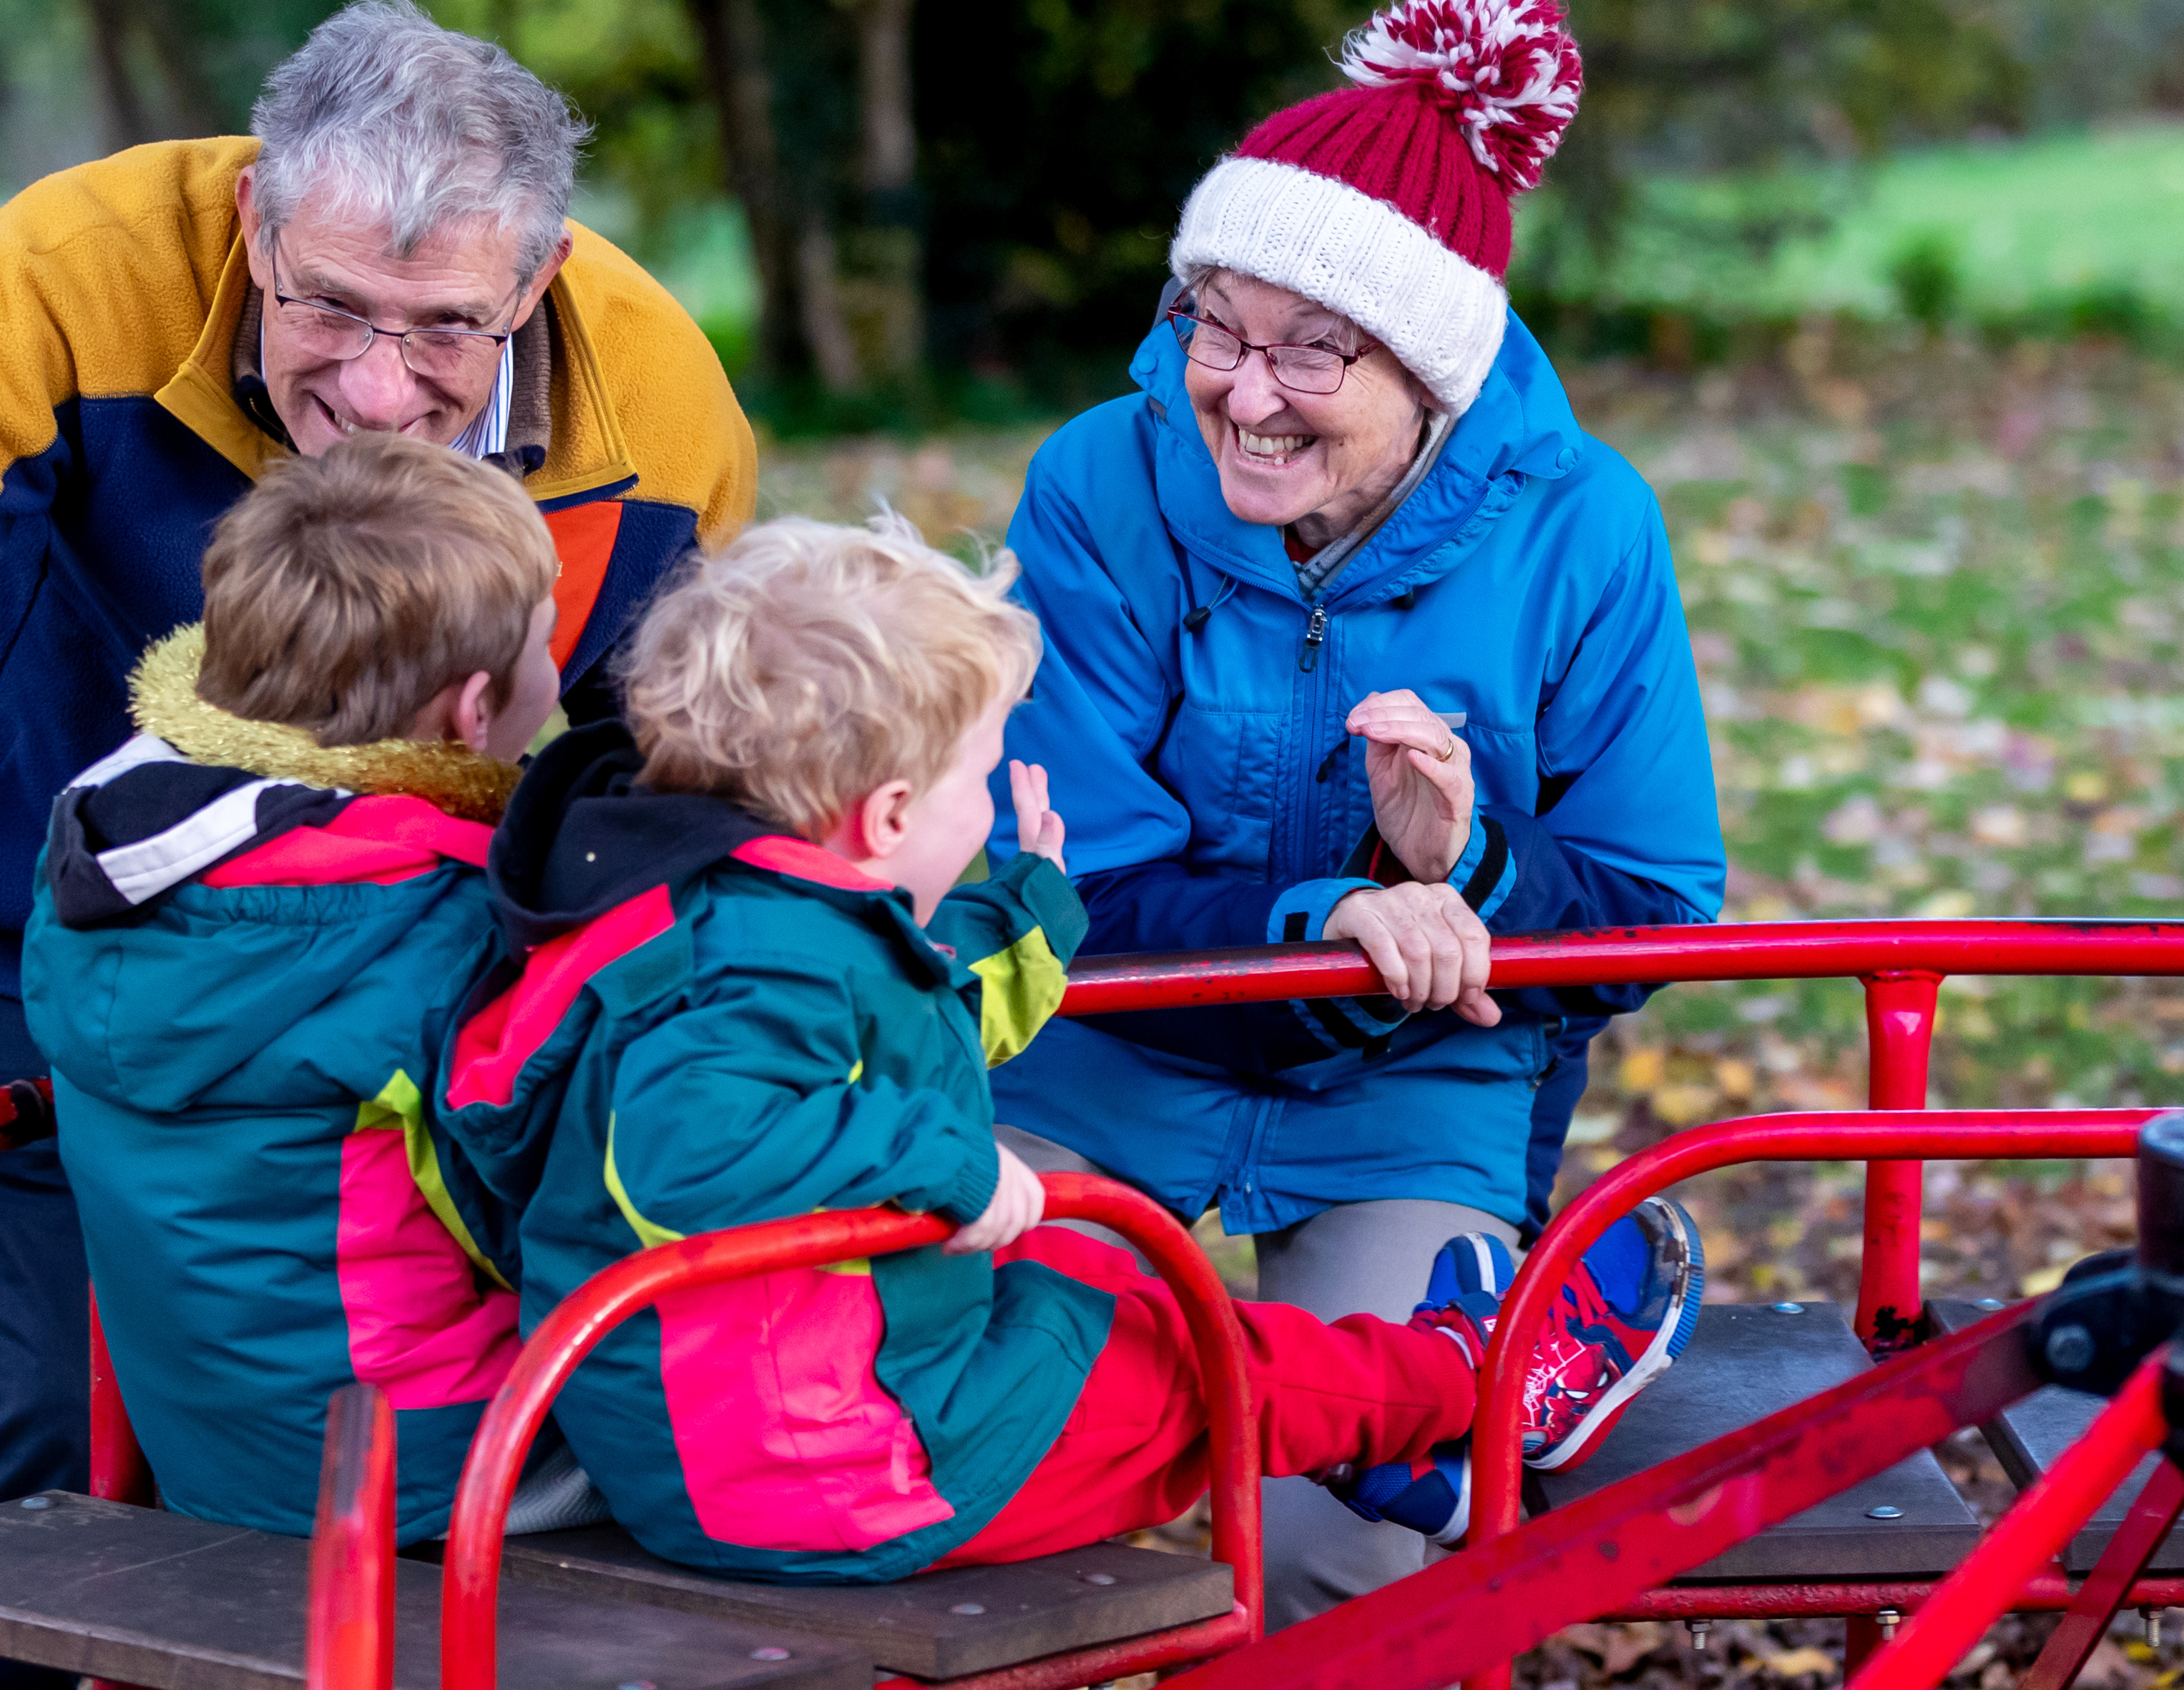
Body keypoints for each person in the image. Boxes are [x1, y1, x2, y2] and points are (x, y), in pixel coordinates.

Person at [0, 0, 754, 1690]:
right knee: (31, 1404)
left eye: (443, 329)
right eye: (330, 310)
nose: (375, 390)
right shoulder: (75, 271)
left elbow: (671, 757)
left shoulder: (655, 399)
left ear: (534, 280)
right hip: (56, 913)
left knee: (406, 1425)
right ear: (252, 224)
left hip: (430, 971)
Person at [437, 516, 1704, 1581]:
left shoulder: (699, 915)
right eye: (976, 780)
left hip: (733, 1431)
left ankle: (1381, 1446)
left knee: (1115, 1313)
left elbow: (899, 1012)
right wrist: (952, 1163)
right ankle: (1484, 1382)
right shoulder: (756, 971)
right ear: (883, 818)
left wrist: (1029, 902)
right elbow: (688, 1144)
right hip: (845, 1459)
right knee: (1193, 1357)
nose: (989, 802)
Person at [984, 0, 1724, 1623]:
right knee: (978, 1444)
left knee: (1350, 1554)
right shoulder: (1096, 485)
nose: (1242, 392)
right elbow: (1072, 880)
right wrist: (1339, 920)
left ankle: (1468, 1372)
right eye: (1215, 328)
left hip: (1418, 1088)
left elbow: (1652, 905)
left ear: (1434, 371)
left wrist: (1469, 862)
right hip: (1115, 1050)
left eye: (1309, 352)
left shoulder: (1584, 526)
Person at [21, 433, 599, 1541]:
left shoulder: (104, 865)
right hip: (447, 1473)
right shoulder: (448, 926)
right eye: (544, 641)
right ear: (471, 713)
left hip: (216, 1459)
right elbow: (571, 1215)